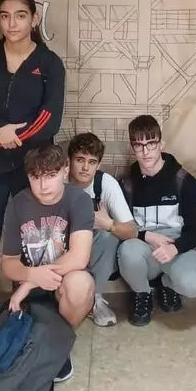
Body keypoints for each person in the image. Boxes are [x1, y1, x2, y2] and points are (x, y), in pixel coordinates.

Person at [0, 0, 65, 339]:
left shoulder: (49, 63)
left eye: (20, 15)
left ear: (33, 19)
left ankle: (28, 301)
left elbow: (50, 118)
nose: (12, 23)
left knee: (34, 235)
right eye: (5, 16)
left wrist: (16, 137)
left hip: (33, 166)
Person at [0, 143, 94, 383]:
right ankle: (42, 337)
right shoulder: (18, 204)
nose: (43, 186)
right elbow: (8, 263)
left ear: (65, 171)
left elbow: (79, 256)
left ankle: (59, 345)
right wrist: (32, 277)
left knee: (81, 284)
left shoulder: (80, 200)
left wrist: (29, 282)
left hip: (62, 284)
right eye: (36, 177)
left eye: (51, 176)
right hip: (31, 296)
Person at [115, 114, 196, 326]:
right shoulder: (127, 184)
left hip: (177, 248)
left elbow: (195, 231)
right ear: (132, 148)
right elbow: (122, 228)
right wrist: (146, 236)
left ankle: (167, 284)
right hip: (144, 246)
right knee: (128, 251)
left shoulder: (184, 181)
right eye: (139, 145)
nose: (145, 151)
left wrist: (175, 248)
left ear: (161, 144)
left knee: (193, 286)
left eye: (151, 143)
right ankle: (142, 293)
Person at [65, 132, 136, 327]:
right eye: (80, 160)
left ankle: (94, 298)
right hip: (62, 247)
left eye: (92, 162)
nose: (85, 167)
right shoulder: (59, 180)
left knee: (108, 236)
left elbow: (132, 231)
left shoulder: (106, 184)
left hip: (92, 251)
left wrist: (109, 224)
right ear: (69, 160)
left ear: (98, 164)